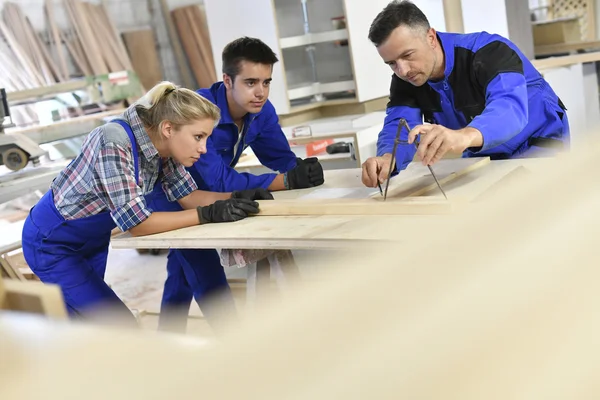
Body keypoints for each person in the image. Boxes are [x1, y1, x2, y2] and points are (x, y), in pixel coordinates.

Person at [21, 81, 270, 325]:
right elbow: (138, 224)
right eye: (198, 137)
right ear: (168, 128)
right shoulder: (114, 141)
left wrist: (238, 196)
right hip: (52, 243)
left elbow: (188, 197)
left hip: (92, 240)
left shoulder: (164, 148)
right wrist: (207, 214)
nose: (203, 148)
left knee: (87, 326)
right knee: (120, 326)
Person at [147, 37, 325, 333]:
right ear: (227, 80)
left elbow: (279, 157)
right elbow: (218, 179)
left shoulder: (261, 111)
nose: (261, 92)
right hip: (168, 191)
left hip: (203, 191)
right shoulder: (201, 113)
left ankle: (168, 337)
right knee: (201, 263)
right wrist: (283, 181)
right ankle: (233, 342)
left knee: (181, 268)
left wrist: (301, 171)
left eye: (267, 82)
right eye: (251, 82)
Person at [361, 0, 570, 188]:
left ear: (431, 37)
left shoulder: (489, 51)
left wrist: (462, 136)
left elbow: (510, 109)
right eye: (391, 63)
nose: (403, 70)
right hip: (484, 151)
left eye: (407, 55)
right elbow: (399, 124)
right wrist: (389, 158)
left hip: (539, 141)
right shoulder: (407, 78)